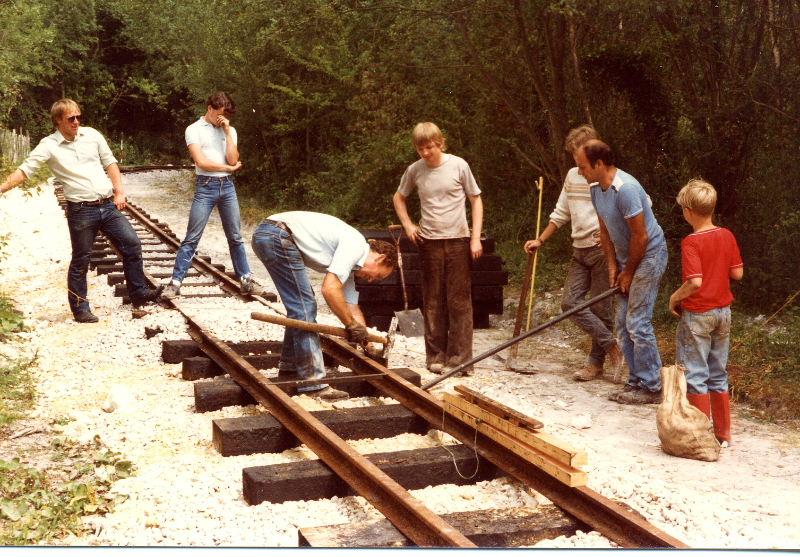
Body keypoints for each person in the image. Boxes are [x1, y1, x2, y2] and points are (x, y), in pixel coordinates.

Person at [0, 99, 162, 322]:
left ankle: (139, 293)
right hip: (81, 210)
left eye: (78, 117)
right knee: (81, 259)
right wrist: (3, 187)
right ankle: (80, 309)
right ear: (58, 121)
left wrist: (119, 192)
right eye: (71, 118)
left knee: (132, 243)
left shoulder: (92, 135)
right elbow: (25, 171)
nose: (76, 121)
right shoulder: (48, 145)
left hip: (107, 205)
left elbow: (111, 163)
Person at [251, 211, 396, 401]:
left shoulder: (352, 266)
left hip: (272, 234)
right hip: (277, 234)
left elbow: (351, 307)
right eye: (377, 275)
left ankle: (290, 368)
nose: (371, 280)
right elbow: (329, 289)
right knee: (304, 306)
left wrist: (367, 342)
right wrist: (350, 325)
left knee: (300, 305)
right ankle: (313, 384)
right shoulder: (356, 246)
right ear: (380, 258)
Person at [524, 125, 623, 382]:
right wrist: (540, 239)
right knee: (569, 303)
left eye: (579, 155)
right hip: (579, 249)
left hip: (602, 251)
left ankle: (595, 363)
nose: (577, 162)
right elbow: (561, 212)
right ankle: (612, 345)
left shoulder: (607, 178)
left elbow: (623, 212)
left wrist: (612, 241)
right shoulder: (572, 176)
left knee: (603, 309)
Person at [577, 139, 668, 404]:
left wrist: (628, 273)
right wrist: (613, 266)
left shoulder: (626, 189)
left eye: (583, 167)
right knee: (622, 324)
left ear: (599, 164)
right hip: (626, 258)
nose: (580, 172)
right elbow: (605, 231)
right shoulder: (596, 189)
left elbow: (640, 237)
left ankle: (652, 386)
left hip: (649, 255)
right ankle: (636, 381)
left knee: (638, 322)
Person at [392, 122, 483, 375]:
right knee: (432, 300)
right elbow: (399, 197)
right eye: (421, 148)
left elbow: (476, 200)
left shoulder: (458, 165)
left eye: (430, 147)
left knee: (459, 300)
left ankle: (461, 359)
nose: (426, 153)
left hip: (457, 240)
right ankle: (436, 356)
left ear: (440, 143)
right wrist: (408, 225)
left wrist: (475, 238)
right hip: (429, 242)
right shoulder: (415, 170)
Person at [668, 179, 743, 447]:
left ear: (688, 210)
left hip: (699, 314)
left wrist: (674, 298)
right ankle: (723, 434)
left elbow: (695, 282)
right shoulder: (727, 235)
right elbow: (738, 273)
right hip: (723, 312)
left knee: (696, 374)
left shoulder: (691, 242)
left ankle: (701, 437)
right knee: (718, 372)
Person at [162, 91, 254, 298]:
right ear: (210, 109)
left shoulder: (230, 130)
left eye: (226, 115)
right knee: (192, 237)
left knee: (236, 236)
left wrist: (228, 132)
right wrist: (228, 169)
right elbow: (201, 162)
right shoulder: (193, 130)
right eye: (219, 114)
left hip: (227, 187)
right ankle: (175, 283)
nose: (222, 118)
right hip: (206, 187)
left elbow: (232, 159)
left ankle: (246, 279)